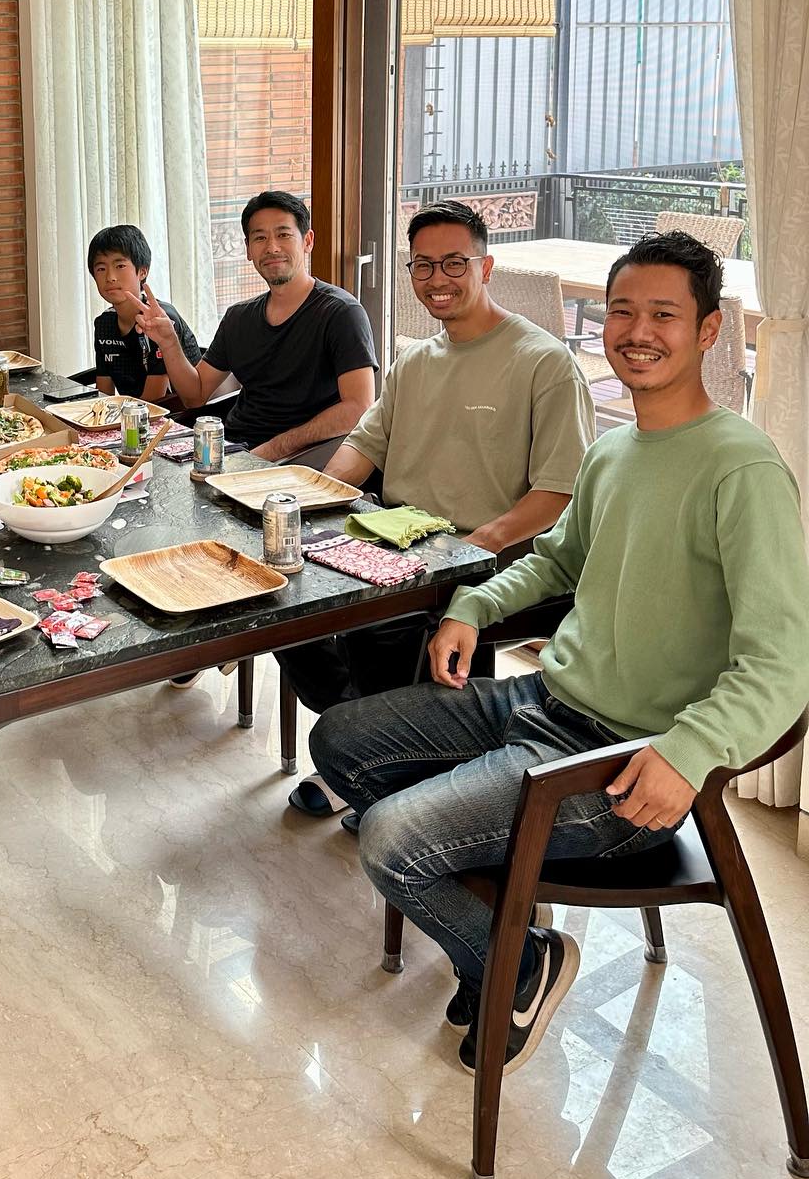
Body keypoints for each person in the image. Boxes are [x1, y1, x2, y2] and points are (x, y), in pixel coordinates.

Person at [310, 231, 809, 1076]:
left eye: (664, 315)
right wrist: (474, 606)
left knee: (392, 840)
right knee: (340, 741)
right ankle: (496, 933)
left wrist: (689, 751)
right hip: (542, 702)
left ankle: (518, 961)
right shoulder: (614, 450)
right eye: (622, 312)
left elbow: (783, 661)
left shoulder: (741, 467)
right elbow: (554, 561)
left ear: (709, 330)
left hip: (625, 764)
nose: (637, 332)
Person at [282, 200, 595, 816]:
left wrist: (478, 543)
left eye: (454, 263)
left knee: (384, 619)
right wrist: (310, 502)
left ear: (486, 267)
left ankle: (379, 762)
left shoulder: (543, 362)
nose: (436, 279)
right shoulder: (416, 361)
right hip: (398, 535)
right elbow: (363, 447)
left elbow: (560, 492)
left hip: (492, 550)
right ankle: (363, 745)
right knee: (287, 593)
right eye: (422, 266)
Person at [141, 190, 377, 460]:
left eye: (283, 234)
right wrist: (169, 342)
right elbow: (195, 395)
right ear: (248, 249)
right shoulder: (238, 318)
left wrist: (275, 449)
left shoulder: (341, 313)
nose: (272, 247)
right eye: (260, 237)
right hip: (230, 450)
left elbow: (358, 407)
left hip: (297, 460)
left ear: (307, 241)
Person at [88, 223, 200, 401]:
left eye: (120, 266)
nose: (110, 277)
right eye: (101, 269)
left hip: (178, 413)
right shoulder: (104, 323)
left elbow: (154, 400)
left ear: (142, 271)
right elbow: (104, 394)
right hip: (132, 412)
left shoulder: (160, 319)